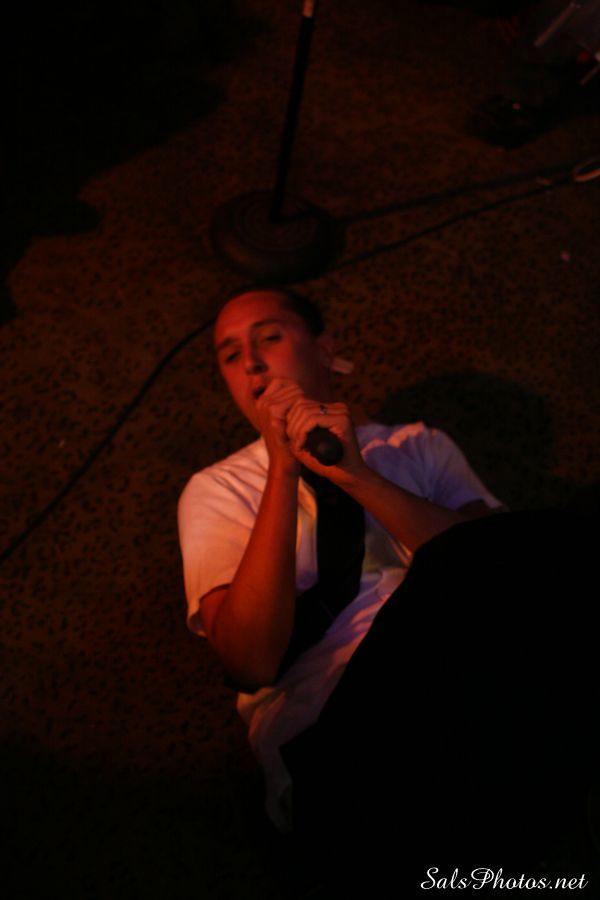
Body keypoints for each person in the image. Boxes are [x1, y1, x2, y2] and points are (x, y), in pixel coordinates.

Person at [178, 287, 597, 892]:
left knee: (559, 548)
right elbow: (248, 661)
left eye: (269, 337)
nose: (251, 362)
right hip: (339, 738)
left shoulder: (416, 446)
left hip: (478, 689)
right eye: (229, 354)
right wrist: (282, 469)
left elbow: (505, 566)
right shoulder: (217, 489)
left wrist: (356, 474)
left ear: (325, 349)